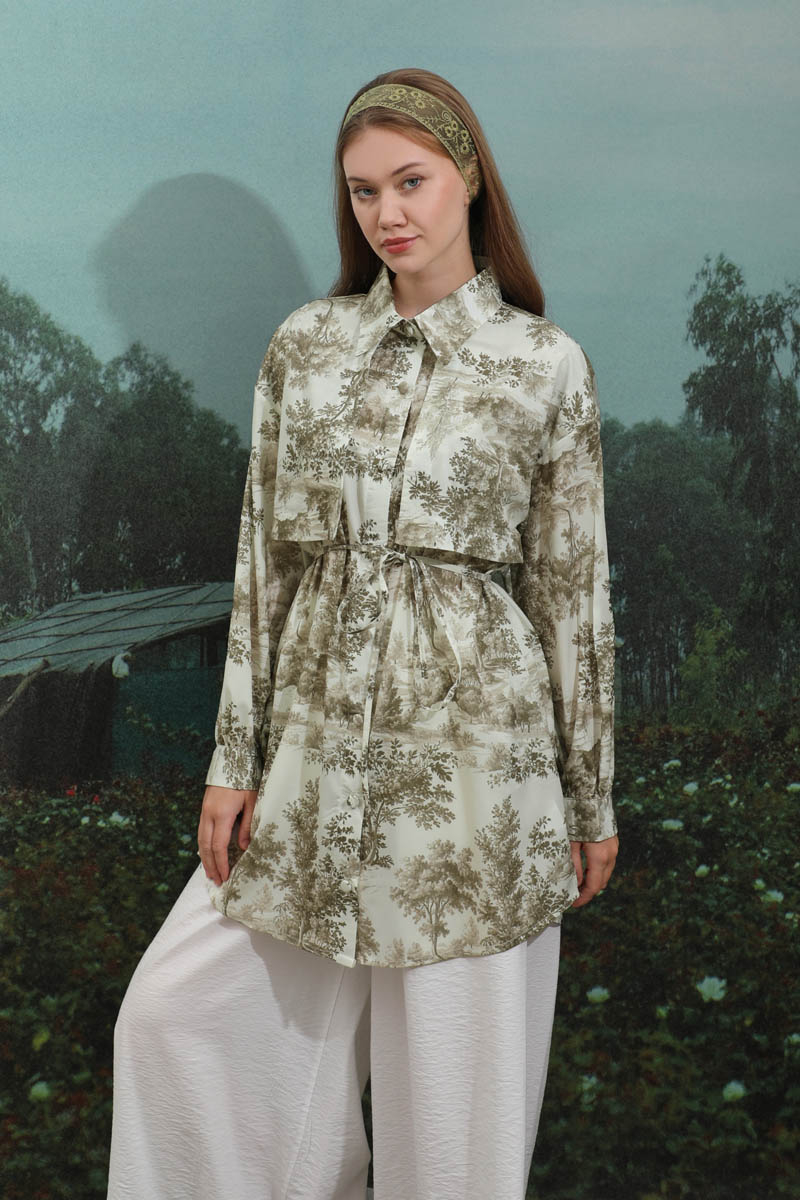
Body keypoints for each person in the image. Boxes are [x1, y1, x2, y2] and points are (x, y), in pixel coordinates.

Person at [107, 66, 618, 1200]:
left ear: (468, 177)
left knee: (453, 1127)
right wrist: (233, 760)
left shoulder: (545, 365)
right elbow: (265, 567)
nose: (387, 212)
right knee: (173, 1019)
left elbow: (572, 597)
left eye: (410, 181)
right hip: (312, 771)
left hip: (479, 783)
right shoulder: (305, 347)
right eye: (361, 190)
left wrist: (592, 800)